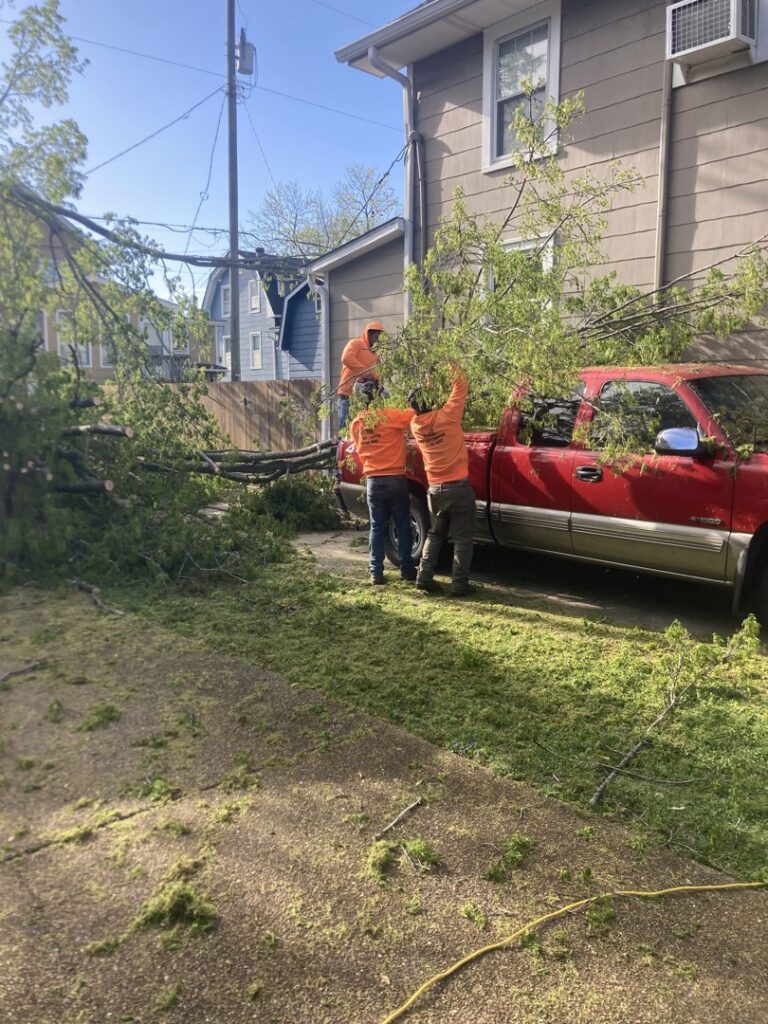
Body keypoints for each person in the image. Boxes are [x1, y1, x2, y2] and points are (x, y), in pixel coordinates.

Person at [409, 367, 475, 597]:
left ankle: (424, 577)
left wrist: (428, 378)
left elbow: (423, 405)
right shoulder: (448, 417)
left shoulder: (416, 426)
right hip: (458, 487)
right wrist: (449, 362)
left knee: (435, 535)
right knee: (463, 538)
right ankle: (459, 585)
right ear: (431, 402)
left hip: (435, 489)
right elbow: (461, 385)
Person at [349, 382, 416, 585]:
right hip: (395, 477)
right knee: (403, 525)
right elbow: (414, 414)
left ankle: (375, 572)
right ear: (379, 397)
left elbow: (358, 447)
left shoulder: (357, 424)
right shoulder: (390, 414)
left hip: (372, 481)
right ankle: (407, 569)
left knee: (377, 527)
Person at [337, 321, 383, 431]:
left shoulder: (375, 356)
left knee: (363, 430)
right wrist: (365, 372)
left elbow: (379, 375)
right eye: (376, 336)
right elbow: (346, 358)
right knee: (346, 430)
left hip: (365, 400)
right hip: (347, 395)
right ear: (369, 334)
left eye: (379, 337)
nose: (377, 339)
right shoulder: (356, 344)